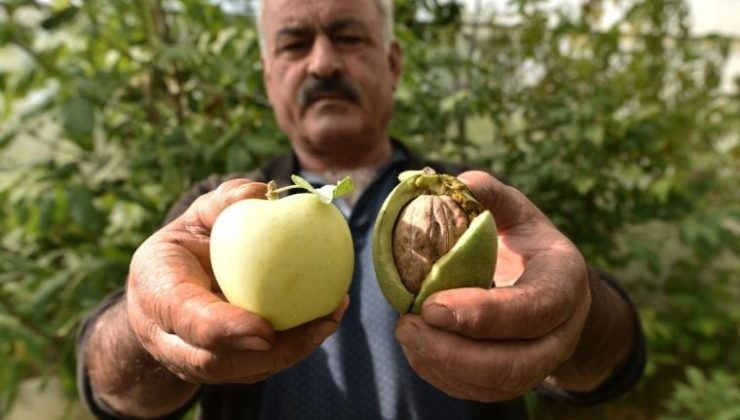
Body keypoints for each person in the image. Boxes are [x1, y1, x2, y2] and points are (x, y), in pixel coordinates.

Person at [76, 0, 645, 418]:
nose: (323, 63)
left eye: (349, 37)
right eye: (294, 44)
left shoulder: (472, 204)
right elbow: (112, 392)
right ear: (269, 75)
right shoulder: (218, 214)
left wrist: (574, 311)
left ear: (393, 63)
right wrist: (144, 324)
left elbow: (610, 368)